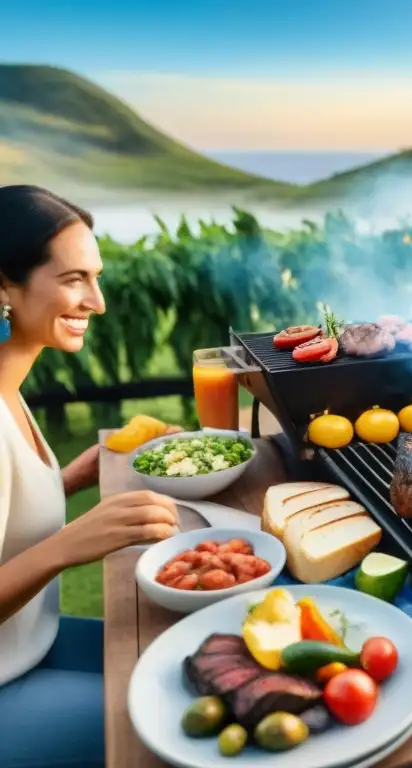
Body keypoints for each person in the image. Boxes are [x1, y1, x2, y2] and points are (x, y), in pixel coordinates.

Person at [0, 185, 181, 767]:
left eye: (95, 277)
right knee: (175, 723)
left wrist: (73, 477)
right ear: (4, 287)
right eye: (74, 278)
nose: (97, 301)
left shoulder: (11, 390)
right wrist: (67, 547)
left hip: (33, 647)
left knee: (187, 661)